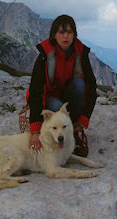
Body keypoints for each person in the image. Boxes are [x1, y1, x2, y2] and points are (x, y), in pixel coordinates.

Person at [27, 14, 97, 157]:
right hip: (49, 98)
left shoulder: (80, 53)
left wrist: (82, 120)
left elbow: (91, 87)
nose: (66, 36)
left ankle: (74, 128)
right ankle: (65, 131)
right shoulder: (45, 55)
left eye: (69, 32)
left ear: (74, 35)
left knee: (79, 84)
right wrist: (35, 130)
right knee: (58, 107)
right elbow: (36, 90)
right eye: (61, 32)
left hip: (69, 95)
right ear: (54, 35)